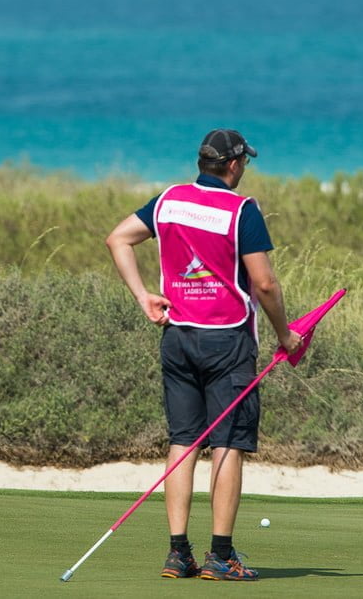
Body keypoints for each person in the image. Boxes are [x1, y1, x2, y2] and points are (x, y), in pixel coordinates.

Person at [105, 129, 302, 581]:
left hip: (177, 337)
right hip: (228, 340)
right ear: (233, 165)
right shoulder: (242, 210)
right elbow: (266, 284)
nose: (245, 169)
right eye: (244, 163)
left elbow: (117, 239)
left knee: (184, 440)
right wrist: (284, 334)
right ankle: (220, 555)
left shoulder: (169, 200)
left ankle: (178, 553)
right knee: (227, 444)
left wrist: (143, 297)